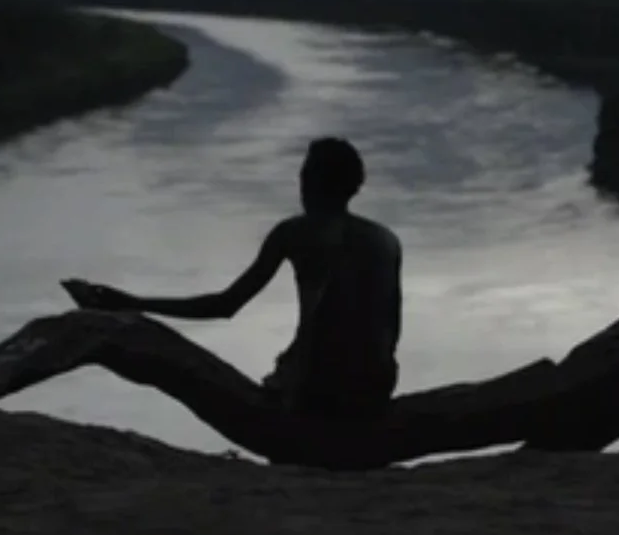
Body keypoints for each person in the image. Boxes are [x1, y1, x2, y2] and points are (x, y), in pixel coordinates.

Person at [63, 137, 403, 420]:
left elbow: (226, 305)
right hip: (373, 389)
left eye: (304, 176)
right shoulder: (386, 240)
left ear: (311, 182)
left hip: (315, 392)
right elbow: (392, 327)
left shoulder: (295, 233)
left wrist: (132, 304)